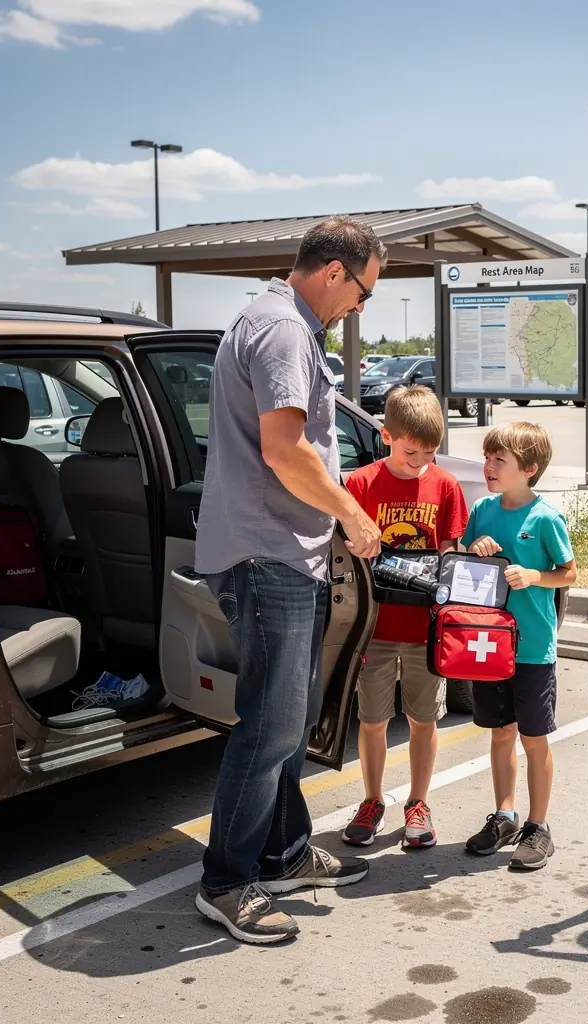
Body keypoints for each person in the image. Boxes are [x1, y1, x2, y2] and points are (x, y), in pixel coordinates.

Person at [193, 217, 387, 944]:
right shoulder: (280, 330)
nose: (362, 306)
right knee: (270, 726)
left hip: (282, 551)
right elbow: (285, 447)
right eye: (364, 290)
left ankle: (281, 852)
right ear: (334, 272)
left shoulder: (281, 324)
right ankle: (227, 882)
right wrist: (352, 516)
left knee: (293, 719)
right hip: (265, 555)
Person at [340, 385, 468, 849]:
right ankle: (372, 799)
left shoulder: (446, 486)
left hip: (424, 630)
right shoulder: (360, 485)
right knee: (372, 719)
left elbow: (450, 552)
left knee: (424, 719)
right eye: (412, 452)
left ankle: (418, 801)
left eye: (430, 453)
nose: (420, 462)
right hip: (373, 627)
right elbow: (344, 552)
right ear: (386, 435)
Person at [461, 423, 577, 871]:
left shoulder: (546, 517)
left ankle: (538, 825)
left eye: (498, 461)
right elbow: (463, 558)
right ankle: (505, 815)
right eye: (487, 458)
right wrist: (473, 547)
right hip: (488, 642)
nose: (488, 467)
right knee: (500, 732)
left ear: (528, 469)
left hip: (531, 647)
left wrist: (533, 576)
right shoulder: (482, 509)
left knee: (533, 737)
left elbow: (568, 573)